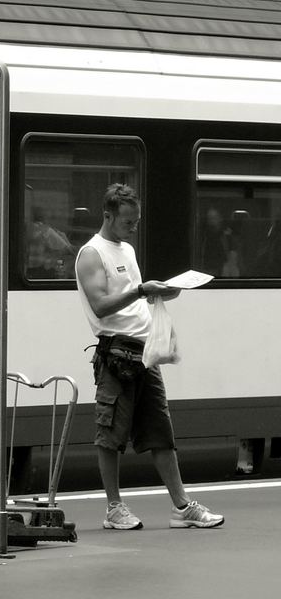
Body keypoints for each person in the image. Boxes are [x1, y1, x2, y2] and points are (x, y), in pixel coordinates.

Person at [74, 183, 224, 530]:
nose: (133, 228)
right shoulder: (92, 254)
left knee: (161, 431)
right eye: (128, 222)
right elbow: (100, 305)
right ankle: (114, 508)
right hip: (116, 355)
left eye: (136, 222)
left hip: (145, 353)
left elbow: (131, 300)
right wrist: (141, 289)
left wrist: (160, 295)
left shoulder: (126, 249)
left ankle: (182, 506)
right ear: (108, 216)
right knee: (110, 434)